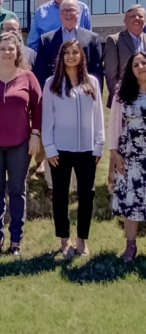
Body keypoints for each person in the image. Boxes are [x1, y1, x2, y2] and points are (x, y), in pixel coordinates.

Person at [0, 32, 42, 256]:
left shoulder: (28, 77)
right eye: (2, 48)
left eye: (11, 49)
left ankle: (15, 239)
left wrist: (35, 134)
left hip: (20, 144)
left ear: (17, 52)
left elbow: (38, 107)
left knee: (17, 190)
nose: (6, 52)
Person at [42, 39, 104, 258]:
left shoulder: (92, 82)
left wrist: (99, 144)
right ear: (61, 56)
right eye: (67, 52)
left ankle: (81, 239)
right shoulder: (51, 83)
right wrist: (49, 147)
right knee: (60, 195)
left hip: (87, 150)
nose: (71, 56)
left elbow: (98, 116)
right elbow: (47, 117)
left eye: (75, 52)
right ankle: (64, 239)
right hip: (60, 150)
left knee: (86, 195)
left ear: (81, 56)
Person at [104, 5, 146, 196]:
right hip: (124, 100)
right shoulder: (114, 40)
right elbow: (111, 73)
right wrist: (121, 98)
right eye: (132, 16)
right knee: (119, 138)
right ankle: (113, 182)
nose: (137, 19)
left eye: (140, 16)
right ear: (125, 20)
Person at [109, 51, 146, 263]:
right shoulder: (122, 94)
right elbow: (114, 125)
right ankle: (130, 246)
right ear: (130, 71)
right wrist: (114, 153)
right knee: (131, 201)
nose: (141, 67)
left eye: (144, 63)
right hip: (131, 155)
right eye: (136, 65)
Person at [34, 0, 103, 91]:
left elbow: (97, 71)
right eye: (64, 11)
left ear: (78, 13)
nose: (68, 14)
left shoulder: (92, 39)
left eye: (71, 10)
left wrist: (96, 94)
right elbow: (40, 72)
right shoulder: (46, 40)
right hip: (55, 91)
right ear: (59, 14)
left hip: (84, 91)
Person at [27, 0, 91, 51]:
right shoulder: (41, 12)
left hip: (76, 56)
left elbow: (89, 39)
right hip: (51, 57)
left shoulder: (82, 9)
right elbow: (33, 43)